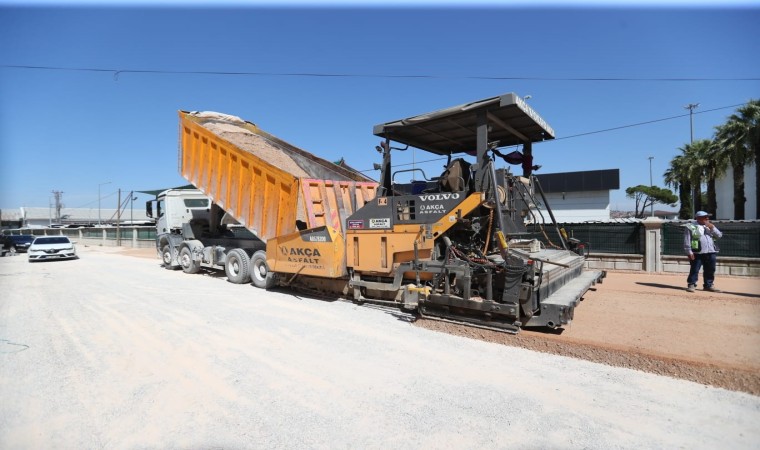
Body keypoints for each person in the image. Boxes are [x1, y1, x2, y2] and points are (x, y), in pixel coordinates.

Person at [683, 211, 723, 292]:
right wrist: (689, 252)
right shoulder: (690, 226)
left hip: (711, 251)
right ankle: (691, 284)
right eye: (705, 217)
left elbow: (719, 235)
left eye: (707, 217)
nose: (707, 218)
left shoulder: (710, 226)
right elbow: (687, 240)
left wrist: (712, 228)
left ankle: (708, 285)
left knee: (710, 269)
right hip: (697, 252)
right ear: (698, 218)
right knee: (694, 269)